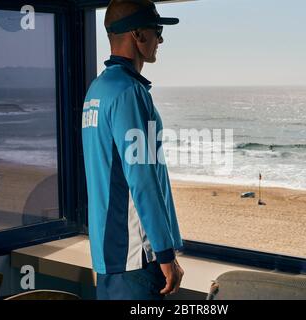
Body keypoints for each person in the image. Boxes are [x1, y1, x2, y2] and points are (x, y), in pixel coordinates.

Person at [81, 0, 184, 300]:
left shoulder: (97, 90)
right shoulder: (129, 93)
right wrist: (165, 253)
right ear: (138, 35)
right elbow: (142, 180)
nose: (160, 39)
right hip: (136, 257)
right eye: (157, 30)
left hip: (108, 253)